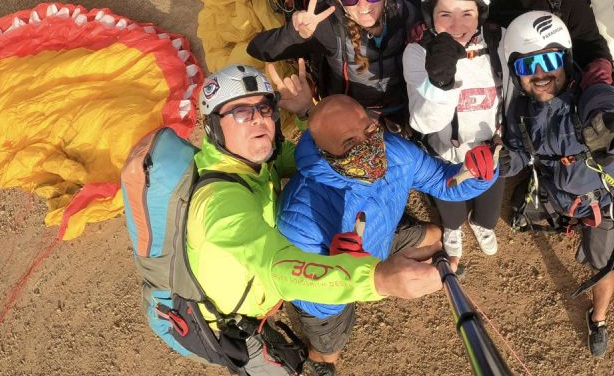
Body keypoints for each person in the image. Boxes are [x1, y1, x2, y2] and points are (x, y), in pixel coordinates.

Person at [189, 64, 447, 376]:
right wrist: (375, 279)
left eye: (264, 107)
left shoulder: (254, 159)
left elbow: (313, 155)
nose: (258, 118)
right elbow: (279, 269)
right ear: (212, 126)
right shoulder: (220, 204)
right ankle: (321, 364)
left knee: (430, 233)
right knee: (325, 349)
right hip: (247, 307)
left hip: (312, 254)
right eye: (241, 112)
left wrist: (308, 115)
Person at [278, 94, 497, 375]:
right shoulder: (301, 216)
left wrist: (476, 173)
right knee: (330, 342)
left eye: (368, 130)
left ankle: (435, 265)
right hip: (334, 277)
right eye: (350, 143)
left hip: (382, 235)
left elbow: (444, 181)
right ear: (323, 151)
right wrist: (348, 274)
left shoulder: (395, 151)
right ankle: (322, 363)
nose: (368, 146)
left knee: (433, 234)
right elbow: (304, 291)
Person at [501, 11, 614, 359]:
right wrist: (510, 161)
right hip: (557, 192)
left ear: (567, 61)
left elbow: (607, 104)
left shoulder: (589, 97)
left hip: (599, 202)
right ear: (515, 73)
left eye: (550, 60)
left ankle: (598, 318)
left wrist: (609, 124)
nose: (540, 75)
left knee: (603, 264)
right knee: (525, 210)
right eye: (527, 67)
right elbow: (522, 151)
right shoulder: (520, 111)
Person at [404, 0, 506, 265]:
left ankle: (481, 226)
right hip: (444, 158)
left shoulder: (498, 43)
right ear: (430, 15)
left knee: (488, 214)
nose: (457, 25)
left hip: (490, 154)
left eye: (467, 13)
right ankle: (453, 229)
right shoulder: (418, 53)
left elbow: (516, 95)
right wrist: (440, 82)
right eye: (445, 14)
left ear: (481, 14)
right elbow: (423, 121)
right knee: (451, 213)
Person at [247, 0, 417, 125]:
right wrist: (295, 33)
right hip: (351, 119)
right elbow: (258, 49)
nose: (363, 5)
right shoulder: (329, 26)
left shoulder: (405, 13)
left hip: (405, 111)